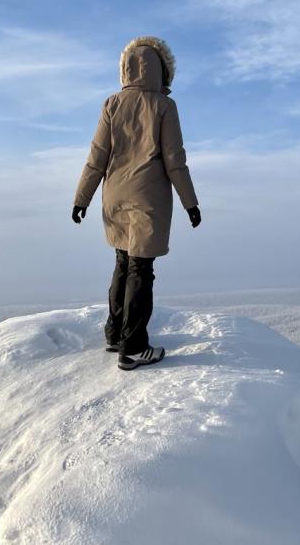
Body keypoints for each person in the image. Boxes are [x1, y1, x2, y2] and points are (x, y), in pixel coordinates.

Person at [72, 36, 201, 370]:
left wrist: (81, 199)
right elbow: (174, 160)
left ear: (126, 68)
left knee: (122, 261)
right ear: (162, 69)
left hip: (113, 194)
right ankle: (134, 346)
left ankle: (115, 334)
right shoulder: (164, 106)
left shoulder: (111, 104)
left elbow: (96, 158)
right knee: (141, 268)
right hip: (148, 197)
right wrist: (191, 204)